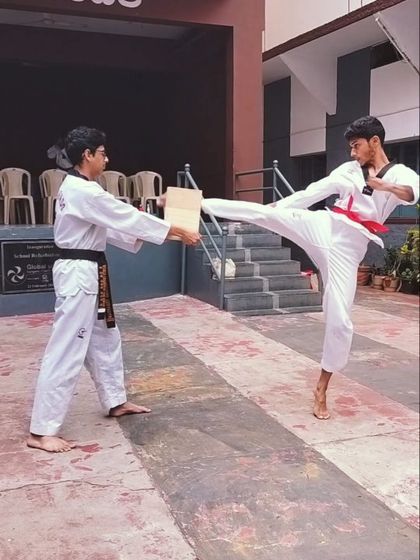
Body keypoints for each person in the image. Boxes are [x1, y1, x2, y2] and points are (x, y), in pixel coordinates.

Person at [183, 116, 419, 420]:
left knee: (340, 320)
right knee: (266, 214)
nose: (352, 152)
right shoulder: (348, 170)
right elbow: (312, 193)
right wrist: (279, 209)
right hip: (324, 226)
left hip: (348, 249)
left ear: (375, 142)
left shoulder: (400, 173)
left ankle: (322, 387)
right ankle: (198, 203)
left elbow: (411, 193)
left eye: (356, 146)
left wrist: (384, 185)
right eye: (350, 147)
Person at [28, 126, 201, 453]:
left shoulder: (79, 187)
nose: (106, 159)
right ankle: (41, 430)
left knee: (105, 337)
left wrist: (167, 228)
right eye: (102, 153)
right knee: (67, 348)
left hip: (89, 270)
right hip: (78, 273)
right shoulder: (84, 191)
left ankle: (114, 400)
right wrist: (176, 230)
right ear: (87, 155)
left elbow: (111, 224)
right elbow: (125, 217)